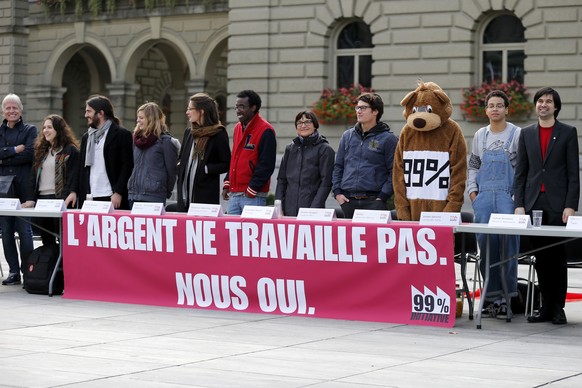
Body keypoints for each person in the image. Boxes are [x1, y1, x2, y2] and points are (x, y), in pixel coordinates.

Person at [514, 87, 580, 325]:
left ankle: (558, 308)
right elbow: (521, 172)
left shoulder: (568, 133)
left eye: (548, 102)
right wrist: (519, 204)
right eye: (540, 101)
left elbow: (574, 173)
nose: (543, 105)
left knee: (557, 257)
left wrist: (571, 205)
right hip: (533, 204)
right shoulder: (526, 133)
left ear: (556, 107)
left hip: (558, 204)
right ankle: (544, 307)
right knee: (541, 257)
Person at [467, 90, 521, 319]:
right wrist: (473, 194)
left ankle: (507, 300)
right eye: (491, 105)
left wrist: (517, 200)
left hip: (508, 198)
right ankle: (491, 299)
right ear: (486, 110)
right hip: (484, 199)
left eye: (500, 105)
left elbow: (522, 170)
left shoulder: (518, 134)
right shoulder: (480, 135)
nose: (495, 109)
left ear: (507, 109)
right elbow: (473, 166)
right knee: (487, 248)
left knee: (508, 249)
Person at [332, 92, 398, 219]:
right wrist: (337, 193)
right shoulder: (347, 136)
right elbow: (338, 166)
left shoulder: (388, 139)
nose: (358, 111)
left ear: (375, 111)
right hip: (347, 201)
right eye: (357, 107)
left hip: (374, 201)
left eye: (363, 108)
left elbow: (394, 172)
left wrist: (382, 197)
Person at [22, 115, 80, 246]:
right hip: (42, 200)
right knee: (47, 239)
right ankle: (49, 265)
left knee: (63, 238)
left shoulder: (70, 150)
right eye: (44, 127)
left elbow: (74, 175)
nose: (45, 131)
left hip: (60, 199)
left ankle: (62, 266)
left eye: (49, 127)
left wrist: (72, 192)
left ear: (58, 130)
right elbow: (33, 177)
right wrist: (31, 199)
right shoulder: (41, 151)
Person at [0, 94, 37, 286]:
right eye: (8, 108)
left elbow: (30, 154)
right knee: (6, 231)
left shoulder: (30, 130)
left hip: (24, 187)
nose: (11, 111)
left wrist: (3, 157)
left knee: (25, 230)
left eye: (15, 107)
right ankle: (14, 272)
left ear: (21, 110)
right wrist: (15, 150)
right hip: (4, 189)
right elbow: (20, 153)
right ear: (3, 111)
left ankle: (28, 271)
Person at [173, 93, 230, 211]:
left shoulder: (218, 134)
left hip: (205, 196)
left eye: (190, 109)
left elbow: (226, 163)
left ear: (201, 111)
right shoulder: (189, 132)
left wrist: (206, 169)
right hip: (184, 196)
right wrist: (180, 166)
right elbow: (181, 157)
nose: (187, 112)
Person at [222, 90, 276, 215]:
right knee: (232, 234)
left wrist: (252, 190)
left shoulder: (266, 130)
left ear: (253, 107)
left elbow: (266, 165)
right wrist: (227, 183)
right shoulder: (237, 128)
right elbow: (234, 159)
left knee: (252, 234)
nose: (238, 110)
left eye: (242, 106)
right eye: (236, 107)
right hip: (234, 195)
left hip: (253, 196)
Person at [77, 95, 134, 210]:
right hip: (90, 197)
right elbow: (81, 169)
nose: (86, 115)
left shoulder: (122, 135)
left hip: (111, 196)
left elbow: (127, 166)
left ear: (100, 113)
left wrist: (118, 192)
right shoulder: (86, 137)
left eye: (89, 111)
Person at [275, 111, 335, 217]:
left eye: (307, 122)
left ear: (315, 125)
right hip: (289, 209)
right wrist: (279, 207)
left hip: (312, 209)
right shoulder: (290, 148)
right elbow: (281, 180)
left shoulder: (325, 149)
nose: (303, 126)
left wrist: (314, 210)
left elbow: (326, 183)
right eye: (299, 123)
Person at [127, 102, 178, 206]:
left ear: (151, 119)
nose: (138, 120)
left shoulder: (166, 142)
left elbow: (171, 171)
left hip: (154, 197)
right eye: (138, 117)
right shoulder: (135, 141)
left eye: (141, 118)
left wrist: (164, 191)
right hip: (133, 196)